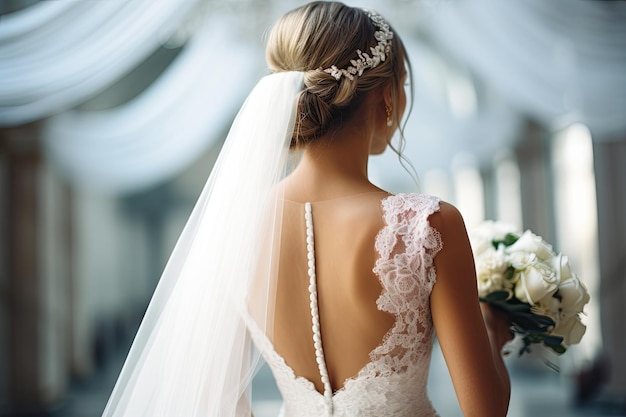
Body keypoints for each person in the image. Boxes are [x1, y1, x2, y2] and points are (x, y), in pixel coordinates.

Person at [102, 2, 512, 416]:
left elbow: (222, 401)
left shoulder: (234, 224)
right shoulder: (429, 226)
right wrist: (493, 329)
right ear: (388, 97)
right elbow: (486, 411)